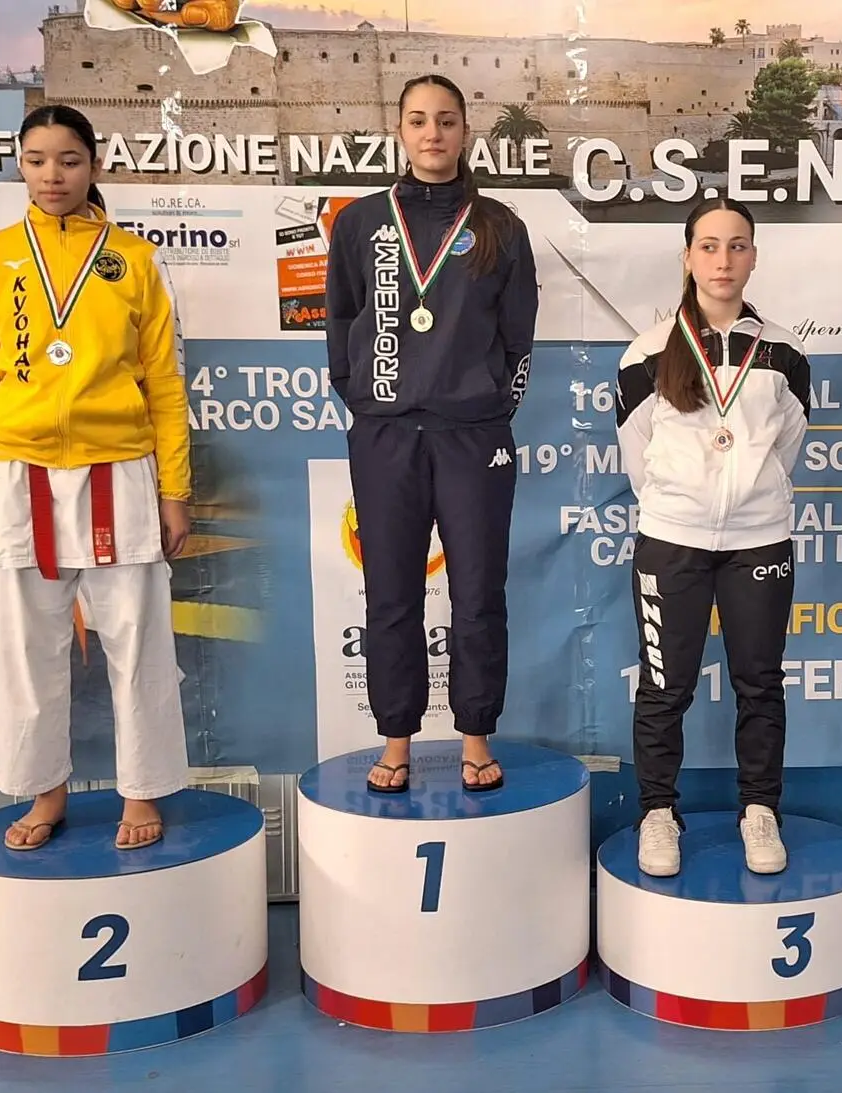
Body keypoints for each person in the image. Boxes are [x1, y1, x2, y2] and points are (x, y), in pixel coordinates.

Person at [0, 104, 192, 850]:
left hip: (118, 469)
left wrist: (175, 489)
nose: (52, 175)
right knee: (26, 647)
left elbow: (164, 383)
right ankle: (44, 790)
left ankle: (141, 790)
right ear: (20, 166)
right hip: (19, 473)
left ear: (94, 165)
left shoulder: (134, 260)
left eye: (68, 160)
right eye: (36, 161)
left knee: (138, 640)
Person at [325, 75, 539, 794]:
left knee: (478, 592)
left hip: (473, 437)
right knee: (390, 594)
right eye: (418, 120)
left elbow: (519, 336)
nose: (433, 133)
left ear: (465, 131)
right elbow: (339, 321)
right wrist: (368, 398)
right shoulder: (360, 222)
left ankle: (476, 734)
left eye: (446, 120)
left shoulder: (499, 225)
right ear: (400, 131)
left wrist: (487, 409)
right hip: (385, 436)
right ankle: (396, 741)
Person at [615, 197, 810, 877]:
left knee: (760, 682)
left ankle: (760, 809)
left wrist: (749, 498)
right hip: (673, 538)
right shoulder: (646, 351)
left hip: (760, 540)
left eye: (737, 245)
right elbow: (638, 454)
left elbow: (786, 448)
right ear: (687, 256)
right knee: (664, 686)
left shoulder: (784, 351)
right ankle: (658, 812)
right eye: (709, 246)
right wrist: (686, 505)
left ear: (753, 256)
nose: (723, 260)